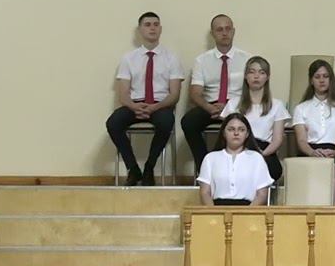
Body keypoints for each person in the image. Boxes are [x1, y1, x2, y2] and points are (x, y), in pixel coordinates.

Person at [106, 11, 184, 186]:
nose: (152, 28)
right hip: (134, 104)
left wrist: (154, 108)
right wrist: (135, 107)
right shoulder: (128, 58)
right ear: (140, 30)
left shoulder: (171, 58)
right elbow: (123, 94)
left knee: (166, 122)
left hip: (160, 105)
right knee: (113, 123)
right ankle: (133, 169)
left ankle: (149, 167)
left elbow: (174, 95)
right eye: (147, 25)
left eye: (156, 25)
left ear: (161, 29)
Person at [181, 14, 250, 174]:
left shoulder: (247, 59)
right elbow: (195, 93)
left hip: (237, 106)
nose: (224, 33)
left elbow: (252, 91)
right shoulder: (202, 60)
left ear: (233, 31)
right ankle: (205, 168)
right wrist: (210, 108)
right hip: (210, 106)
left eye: (228, 29)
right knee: (188, 122)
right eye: (219, 30)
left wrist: (229, 107)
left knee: (252, 120)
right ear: (213, 34)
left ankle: (242, 170)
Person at [220, 56, 289, 181]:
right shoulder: (233, 104)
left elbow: (277, 140)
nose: (256, 76)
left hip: (264, 150)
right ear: (246, 76)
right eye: (252, 72)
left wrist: (261, 155)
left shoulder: (277, 105)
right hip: (239, 149)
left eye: (261, 73)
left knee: (273, 170)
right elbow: (226, 135)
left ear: (267, 77)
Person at [291, 59, 335, 179]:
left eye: (325, 76)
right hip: (310, 152)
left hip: (334, 152)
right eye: (317, 77)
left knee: (334, 169)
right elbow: (301, 141)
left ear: (331, 79)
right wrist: (312, 152)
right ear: (311, 81)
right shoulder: (301, 108)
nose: (321, 80)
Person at [196, 114, 272, 206]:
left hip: (248, 209)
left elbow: (262, 195)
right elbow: (205, 193)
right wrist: (214, 212)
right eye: (231, 129)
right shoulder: (210, 158)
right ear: (224, 133)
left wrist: (247, 212)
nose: (236, 133)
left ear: (247, 134)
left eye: (241, 130)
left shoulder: (257, 158)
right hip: (217, 209)